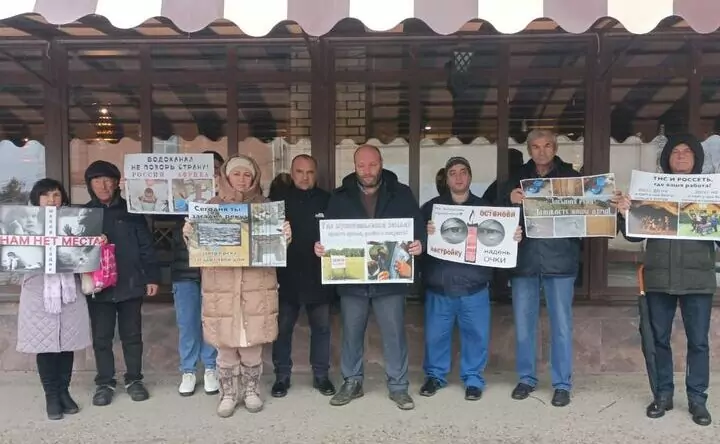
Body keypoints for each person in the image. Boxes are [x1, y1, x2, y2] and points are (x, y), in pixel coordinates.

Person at [612, 134, 715, 426]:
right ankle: (662, 395)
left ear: (696, 158)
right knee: (658, 339)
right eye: (675, 151)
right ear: (667, 159)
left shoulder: (710, 192)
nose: (680, 155)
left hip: (698, 277)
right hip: (658, 276)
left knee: (699, 342)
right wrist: (626, 213)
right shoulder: (652, 189)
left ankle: (697, 400)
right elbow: (634, 236)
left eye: (687, 151)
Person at [313, 144, 425, 410]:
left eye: (372, 164)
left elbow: (417, 227)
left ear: (381, 163)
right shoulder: (339, 196)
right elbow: (328, 233)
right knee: (351, 335)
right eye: (361, 165)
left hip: (390, 280)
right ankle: (352, 382)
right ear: (354, 167)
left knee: (394, 335)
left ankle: (398, 387)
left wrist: (420, 243)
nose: (367, 171)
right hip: (352, 282)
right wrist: (321, 247)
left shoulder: (401, 193)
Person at [183, 154, 292, 417]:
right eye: (236, 174)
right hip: (221, 288)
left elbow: (275, 250)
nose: (242, 180)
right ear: (226, 177)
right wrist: (190, 236)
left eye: (247, 174)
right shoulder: (211, 207)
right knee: (226, 348)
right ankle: (228, 394)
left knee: (252, 345)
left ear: (254, 178)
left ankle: (251, 391)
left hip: (256, 287)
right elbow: (200, 252)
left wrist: (285, 237)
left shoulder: (266, 208)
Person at [420, 157, 523, 401]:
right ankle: (435, 376)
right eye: (453, 173)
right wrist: (425, 234)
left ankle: (473, 379)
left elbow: (498, 239)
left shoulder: (486, 208)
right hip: (440, 287)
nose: (458, 177)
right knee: (435, 337)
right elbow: (416, 245)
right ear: (446, 179)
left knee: (476, 337)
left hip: (474, 287)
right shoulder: (431, 209)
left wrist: (513, 236)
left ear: (470, 177)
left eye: (463, 172)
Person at [501, 129, 580, 407]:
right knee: (524, 326)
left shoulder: (571, 178)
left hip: (561, 261)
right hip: (525, 261)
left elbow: (587, 216)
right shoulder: (515, 179)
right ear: (529, 150)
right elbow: (496, 217)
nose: (542, 151)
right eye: (535, 146)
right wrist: (509, 201)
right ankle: (526, 379)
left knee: (562, 326)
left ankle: (562, 384)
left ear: (555, 148)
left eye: (547, 146)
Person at [84, 160, 160, 407]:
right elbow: (75, 252)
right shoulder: (84, 214)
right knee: (102, 338)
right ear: (90, 185)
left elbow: (146, 246)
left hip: (130, 282)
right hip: (98, 286)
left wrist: (152, 276)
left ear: (117, 183)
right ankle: (104, 383)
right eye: (97, 181)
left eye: (108, 180)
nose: (103, 185)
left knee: (132, 336)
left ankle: (134, 380)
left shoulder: (132, 211)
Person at [16, 178, 92, 420]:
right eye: (46, 195)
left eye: (57, 195)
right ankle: (51, 395)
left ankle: (64, 392)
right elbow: (15, 253)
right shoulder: (24, 223)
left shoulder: (75, 222)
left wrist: (95, 241)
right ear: (36, 199)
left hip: (69, 289)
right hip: (38, 290)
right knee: (45, 345)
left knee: (67, 343)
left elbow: (85, 254)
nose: (52, 200)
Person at [270, 154, 336, 398]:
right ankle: (281, 377)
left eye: (309, 172)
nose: (305, 177)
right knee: (282, 329)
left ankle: (321, 376)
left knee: (321, 329)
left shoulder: (328, 200)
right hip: (287, 277)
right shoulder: (278, 202)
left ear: (315, 174)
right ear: (292, 173)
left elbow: (340, 235)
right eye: (299, 171)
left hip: (319, 277)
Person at [170, 152, 224, 398]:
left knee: (212, 320)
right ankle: (188, 370)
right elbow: (156, 216)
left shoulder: (225, 200)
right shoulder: (180, 198)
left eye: (215, 168)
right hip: (185, 269)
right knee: (187, 322)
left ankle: (211, 367)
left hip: (216, 269)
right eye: (205, 168)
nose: (211, 172)